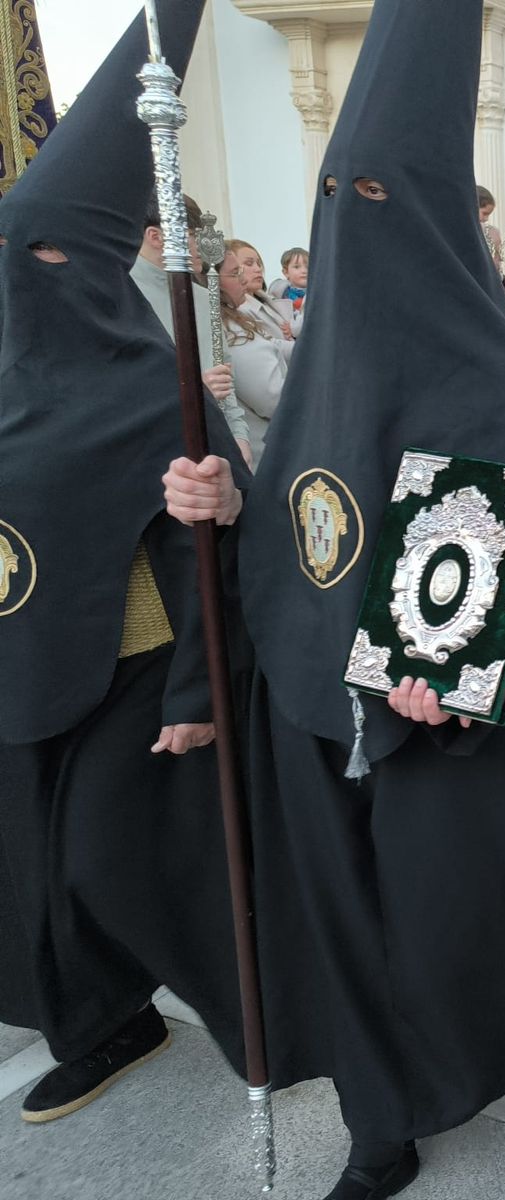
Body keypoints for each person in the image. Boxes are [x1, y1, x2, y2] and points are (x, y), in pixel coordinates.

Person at [163, 3, 505, 1195]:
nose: (349, 224)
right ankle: (380, 1124)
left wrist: (463, 666)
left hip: (440, 708)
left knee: (494, 909)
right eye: (335, 198)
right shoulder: (325, 350)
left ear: (428, 215)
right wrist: (223, 506)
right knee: (346, 923)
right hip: (309, 698)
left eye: (374, 197)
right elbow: (305, 513)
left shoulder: (483, 358)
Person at [0, 0, 250, 1128]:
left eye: (51, 250)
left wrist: (198, 697)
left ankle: (268, 1020)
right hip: (22, 662)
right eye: (17, 249)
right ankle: (105, 1022)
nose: (30, 270)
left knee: (114, 860)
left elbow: (211, 547)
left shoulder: (164, 384)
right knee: (35, 879)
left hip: (137, 666)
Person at [129, 190, 251, 462]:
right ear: (156, 237)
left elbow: (223, 376)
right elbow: (121, 397)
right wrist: (193, 389)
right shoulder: (120, 297)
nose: (202, 246)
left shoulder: (202, 296)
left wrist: (239, 437)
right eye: (194, 236)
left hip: (217, 445)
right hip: (158, 457)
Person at [219, 238, 296, 463]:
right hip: (270, 452)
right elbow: (273, 399)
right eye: (235, 273)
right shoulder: (233, 331)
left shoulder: (239, 317)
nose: (244, 277)